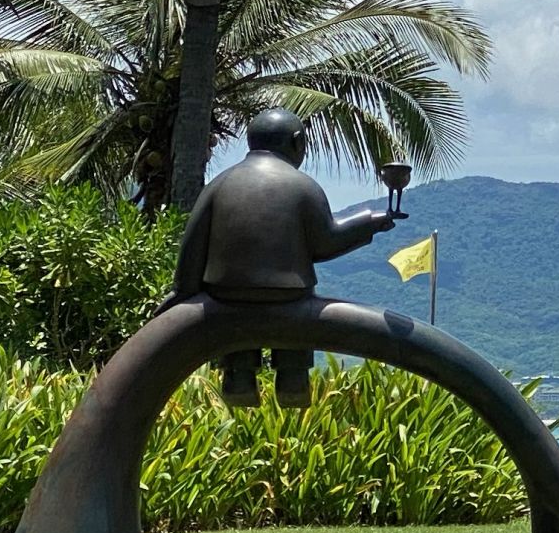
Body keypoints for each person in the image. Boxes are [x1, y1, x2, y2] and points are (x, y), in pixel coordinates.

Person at [166, 109, 407, 407]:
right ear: (296, 142)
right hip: (290, 295)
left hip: (226, 295)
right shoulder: (304, 186)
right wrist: (370, 221)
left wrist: (183, 292)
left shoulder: (220, 184)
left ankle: (238, 376)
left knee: (237, 356)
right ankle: (293, 378)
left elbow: (193, 243)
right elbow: (325, 243)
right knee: (294, 350)